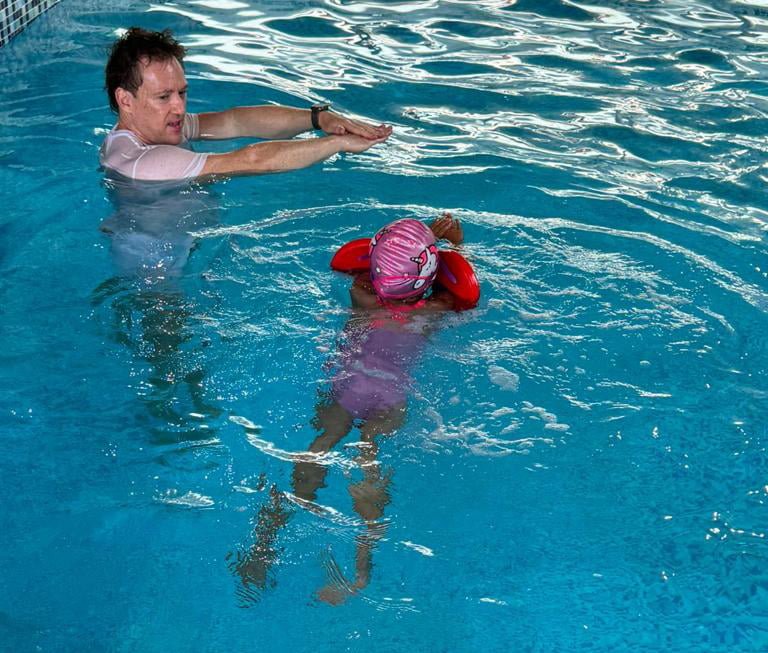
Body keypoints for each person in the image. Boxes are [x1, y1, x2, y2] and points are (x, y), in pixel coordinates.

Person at [228, 213, 471, 605]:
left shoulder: (360, 295)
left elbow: (367, 266)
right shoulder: (435, 310)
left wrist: (412, 242)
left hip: (347, 388)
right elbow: (464, 286)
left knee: (322, 442)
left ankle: (264, 544)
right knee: (368, 453)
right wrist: (455, 244)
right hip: (391, 397)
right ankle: (359, 574)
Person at [101, 27, 392, 181]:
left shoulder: (159, 127)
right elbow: (252, 160)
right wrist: (337, 144)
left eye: (182, 93)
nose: (179, 107)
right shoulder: (140, 161)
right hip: (157, 277)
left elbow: (236, 121)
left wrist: (318, 119)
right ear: (125, 100)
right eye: (164, 97)